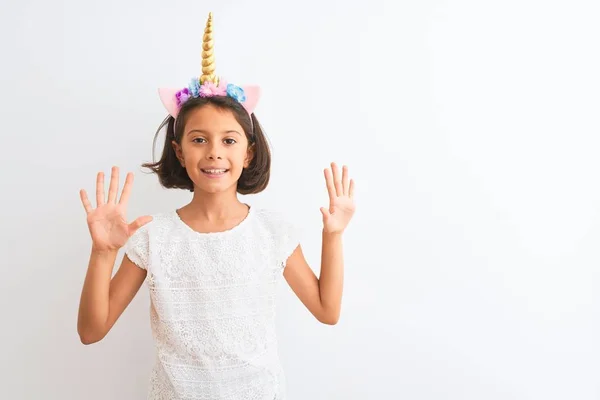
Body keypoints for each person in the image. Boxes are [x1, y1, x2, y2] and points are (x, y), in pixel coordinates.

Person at [76, 12, 355, 400]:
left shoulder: (272, 232)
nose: (214, 153)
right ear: (178, 150)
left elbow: (328, 311)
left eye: (228, 140)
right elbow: (92, 331)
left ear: (248, 152)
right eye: (198, 140)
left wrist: (334, 236)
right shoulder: (152, 238)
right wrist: (102, 253)